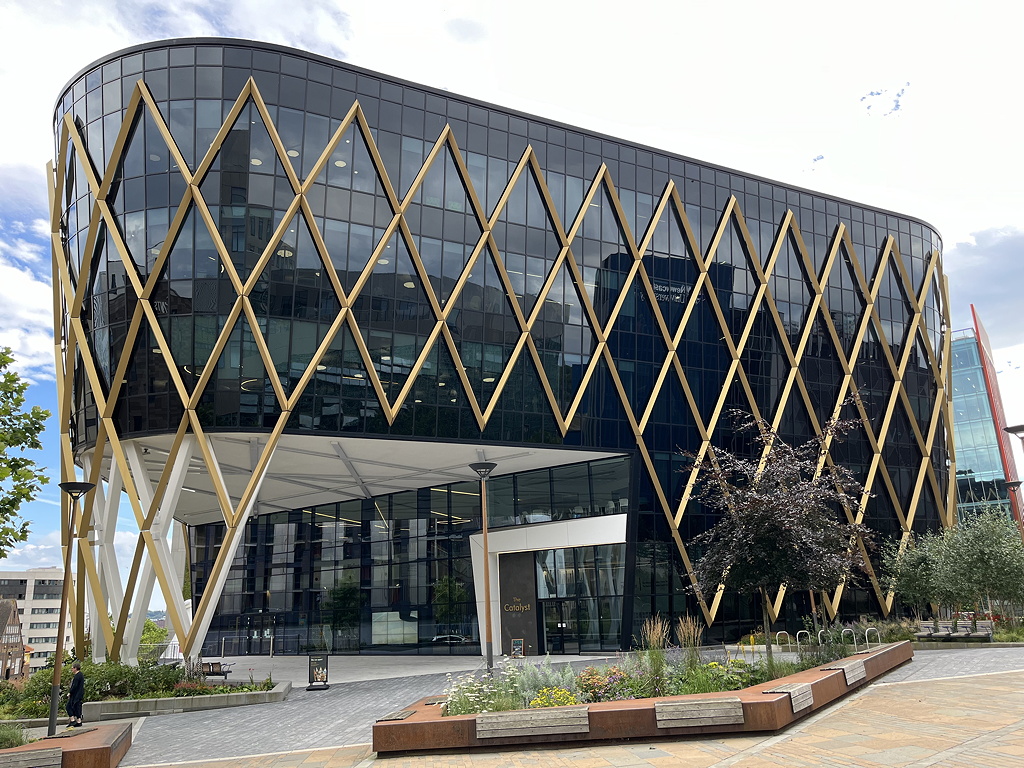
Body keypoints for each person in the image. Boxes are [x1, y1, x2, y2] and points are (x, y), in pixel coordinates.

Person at [67, 660, 84, 728]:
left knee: (68, 706)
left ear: (75, 668)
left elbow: (74, 686)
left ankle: (72, 720)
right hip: (79, 694)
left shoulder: (77, 676)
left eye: (72, 668)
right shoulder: (81, 675)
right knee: (77, 707)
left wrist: (70, 692)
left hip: (75, 694)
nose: (71, 669)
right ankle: (79, 721)